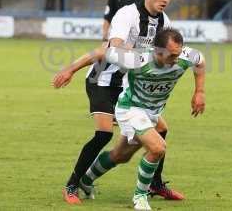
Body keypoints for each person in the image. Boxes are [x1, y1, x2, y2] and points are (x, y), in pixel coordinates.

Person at [52, 0, 184, 204]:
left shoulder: (164, 22)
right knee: (103, 133)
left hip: (130, 86)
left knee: (158, 130)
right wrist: (70, 69)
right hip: (103, 80)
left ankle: (154, 183)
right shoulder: (127, 15)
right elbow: (109, 49)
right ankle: (71, 184)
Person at [79, 28, 206, 211]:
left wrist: (199, 92)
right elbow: (101, 52)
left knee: (120, 156)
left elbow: (200, 61)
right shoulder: (137, 59)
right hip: (130, 109)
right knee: (157, 147)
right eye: (171, 55)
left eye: (178, 54)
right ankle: (140, 197)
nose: (176, 59)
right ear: (157, 51)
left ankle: (86, 180)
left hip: (151, 114)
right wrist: (69, 70)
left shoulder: (185, 56)